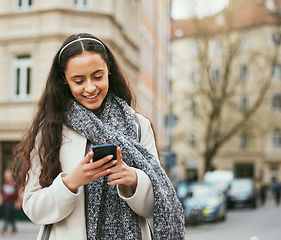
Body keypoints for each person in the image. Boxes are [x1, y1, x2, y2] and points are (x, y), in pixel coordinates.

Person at [12, 33, 185, 239]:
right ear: (64, 80)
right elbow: (34, 209)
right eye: (78, 80)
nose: (90, 88)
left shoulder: (138, 125)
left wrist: (133, 181)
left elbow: (158, 206)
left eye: (97, 76)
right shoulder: (50, 129)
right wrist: (71, 183)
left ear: (109, 71)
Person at [0, 169, 20, 236]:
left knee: (7, 215)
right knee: (10, 216)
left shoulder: (14, 184)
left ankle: (4, 229)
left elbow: (17, 194)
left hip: (12, 202)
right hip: (6, 202)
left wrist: (17, 202)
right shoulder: (5, 183)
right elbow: (2, 192)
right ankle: (14, 229)